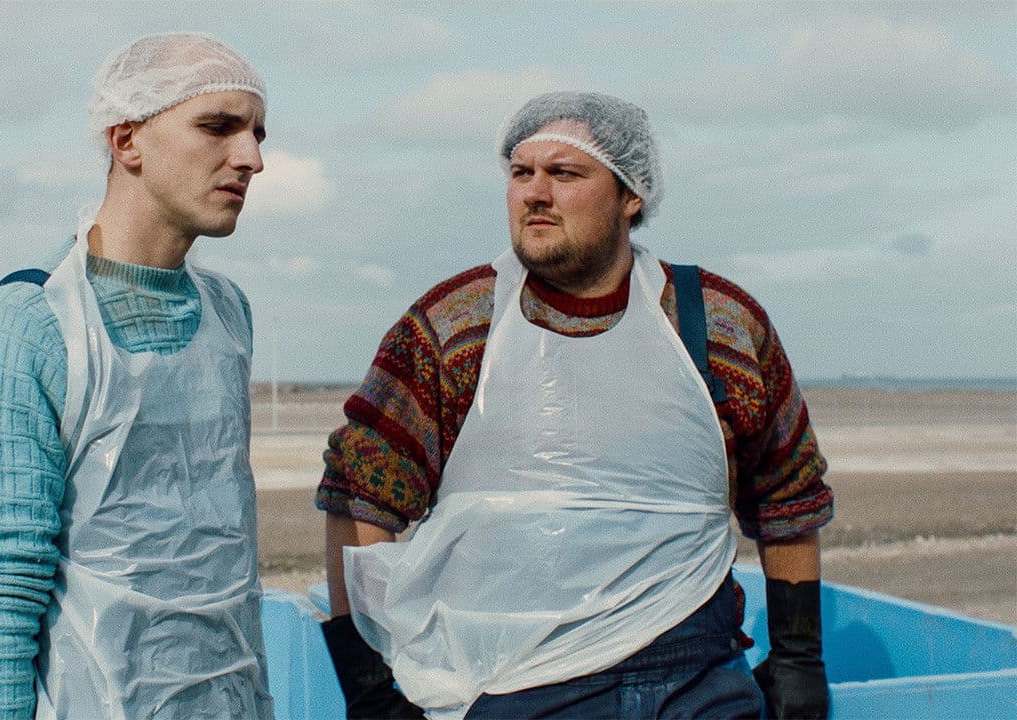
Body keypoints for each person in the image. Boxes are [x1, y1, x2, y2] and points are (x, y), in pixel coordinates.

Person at [317, 91, 833, 720]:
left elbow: (788, 497)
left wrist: (799, 656)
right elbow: (357, 496)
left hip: (696, 680)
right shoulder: (455, 326)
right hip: (510, 682)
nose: (535, 193)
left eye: (563, 173)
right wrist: (369, 688)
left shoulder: (718, 324)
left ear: (631, 194)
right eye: (521, 172)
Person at [0, 32, 273, 720]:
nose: (252, 158)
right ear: (127, 140)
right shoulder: (26, 327)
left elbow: (223, 555)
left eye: (257, 133)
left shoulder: (228, 315)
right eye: (217, 127)